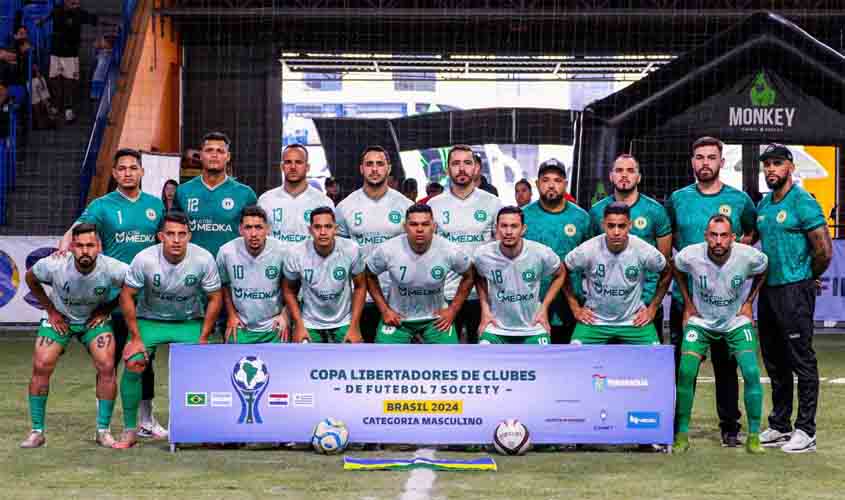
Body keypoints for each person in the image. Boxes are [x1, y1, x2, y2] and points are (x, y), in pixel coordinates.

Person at [60, 148, 166, 440]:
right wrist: (64, 245)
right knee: (108, 361)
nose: (128, 173)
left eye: (133, 168)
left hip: (145, 300)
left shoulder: (155, 206)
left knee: (144, 360)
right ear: (115, 173)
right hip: (112, 299)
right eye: (122, 168)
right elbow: (78, 228)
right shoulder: (102, 205)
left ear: (142, 171)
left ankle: (146, 420)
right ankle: (102, 425)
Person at [665, 136, 758, 447]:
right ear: (692, 162)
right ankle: (676, 427)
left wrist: (737, 250)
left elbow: (751, 232)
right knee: (682, 367)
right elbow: (668, 237)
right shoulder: (678, 199)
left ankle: (730, 427)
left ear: (721, 162)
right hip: (688, 302)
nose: (705, 163)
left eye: (711, 157)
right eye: (700, 157)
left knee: (726, 367)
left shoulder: (740, 200)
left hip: (726, 304)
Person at [114, 212, 222, 449]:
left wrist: (204, 336)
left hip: (188, 321)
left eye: (182, 234)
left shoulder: (203, 258)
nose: (176, 240)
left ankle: (204, 428)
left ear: (189, 236)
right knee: (133, 362)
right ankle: (130, 430)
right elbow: (127, 296)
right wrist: (135, 337)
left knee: (205, 366)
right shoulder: (144, 259)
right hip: (150, 320)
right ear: (160, 236)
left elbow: (215, 298)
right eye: (170, 234)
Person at [20, 224, 128, 449]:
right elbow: (30, 278)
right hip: (60, 318)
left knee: (107, 365)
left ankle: (103, 431)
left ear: (99, 247)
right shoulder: (55, 265)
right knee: (41, 364)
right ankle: (37, 431)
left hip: (92, 321)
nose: (85, 251)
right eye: (79, 246)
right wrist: (51, 311)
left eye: (90, 245)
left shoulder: (113, 268)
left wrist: (106, 310)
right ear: (71, 247)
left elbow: (133, 286)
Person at [756, 143, 832, 453]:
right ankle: (780, 425)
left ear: (790, 167)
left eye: (777, 163)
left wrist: (806, 277)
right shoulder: (763, 205)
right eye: (767, 164)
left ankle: (806, 430)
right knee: (775, 361)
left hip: (795, 291)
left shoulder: (803, 202)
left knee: (802, 359)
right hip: (769, 290)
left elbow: (824, 250)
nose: (770, 169)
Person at [672, 215, 768, 454]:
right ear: (706, 236)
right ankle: (681, 434)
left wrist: (749, 302)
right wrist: (688, 304)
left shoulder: (748, 256)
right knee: (685, 372)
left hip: (735, 322)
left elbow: (764, 268)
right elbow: (676, 267)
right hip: (701, 322)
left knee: (751, 372)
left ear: (732, 237)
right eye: (713, 235)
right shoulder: (690, 255)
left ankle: (753, 437)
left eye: (723, 235)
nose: (718, 241)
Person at [589, 154, 672, 341]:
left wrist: (652, 306)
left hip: (644, 309)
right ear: (611, 176)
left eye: (630, 171)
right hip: (605, 311)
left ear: (639, 177)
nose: (624, 175)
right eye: (619, 170)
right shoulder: (596, 212)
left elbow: (664, 264)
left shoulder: (656, 211)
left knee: (647, 360)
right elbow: (589, 259)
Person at [335, 146, 413, 342]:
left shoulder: (405, 206)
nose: (375, 169)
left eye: (380, 164)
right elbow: (339, 253)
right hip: (359, 297)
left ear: (389, 168)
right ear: (361, 169)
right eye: (369, 164)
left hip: (397, 298)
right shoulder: (344, 207)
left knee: (390, 356)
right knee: (358, 353)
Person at [366, 204, 473, 344]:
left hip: (435, 319)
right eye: (414, 224)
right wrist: (385, 310)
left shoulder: (450, 250)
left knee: (450, 355)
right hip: (398, 319)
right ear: (405, 227)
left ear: (434, 227)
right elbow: (368, 274)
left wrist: (453, 310)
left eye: (425, 224)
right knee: (383, 356)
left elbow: (470, 275)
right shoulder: (388, 249)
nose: (420, 229)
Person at [565, 202, 670, 345]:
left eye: (621, 226)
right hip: (595, 320)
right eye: (611, 226)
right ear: (603, 225)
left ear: (630, 225)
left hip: (634, 321)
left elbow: (667, 270)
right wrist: (575, 308)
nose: (616, 232)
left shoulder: (643, 250)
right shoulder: (588, 249)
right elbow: (563, 270)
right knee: (574, 355)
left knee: (655, 357)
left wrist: (652, 309)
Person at [428, 145, 503, 343]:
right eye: (456, 163)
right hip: (444, 296)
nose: (461, 168)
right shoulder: (433, 206)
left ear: (476, 168)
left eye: (467, 163)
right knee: (446, 355)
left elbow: (501, 251)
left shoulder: (493, 203)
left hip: (484, 296)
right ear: (447, 169)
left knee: (482, 354)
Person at [474, 206, 566, 344]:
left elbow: (561, 273)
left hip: (533, 327)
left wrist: (544, 307)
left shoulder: (541, 252)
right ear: (496, 228)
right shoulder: (483, 254)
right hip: (496, 327)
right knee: (483, 354)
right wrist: (485, 309)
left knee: (543, 357)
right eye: (504, 226)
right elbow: (477, 275)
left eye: (514, 226)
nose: (508, 232)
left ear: (523, 229)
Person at [522, 158, 590, 344]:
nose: (551, 185)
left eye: (557, 180)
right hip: (531, 307)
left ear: (565, 184)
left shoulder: (581, 218)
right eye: (546, 180)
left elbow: (593, 262)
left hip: (572, 307)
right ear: (537, 184)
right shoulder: (523, 217)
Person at [283, 207, 367, 343]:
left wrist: (355, 326)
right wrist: (298, 324)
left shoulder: (351, 249)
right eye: (317, 227)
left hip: (344, 321)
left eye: (328, 226)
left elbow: (360, 286)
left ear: (336, 229)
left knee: (353, 353)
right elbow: (288, 290)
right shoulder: (296, 253)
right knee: (301, 354)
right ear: (310, 230)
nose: (323, 232)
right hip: (309, 322)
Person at [173, 131, 257, 257]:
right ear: (200, 155)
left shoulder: (245, 194)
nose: (214, 155)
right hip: (193, 264)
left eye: (220, 151)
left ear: (228, 156)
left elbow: (254, 234)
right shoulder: (183, 191)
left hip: (231, 265)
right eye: (209, 150)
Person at [216, 206, 289, 344]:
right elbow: (223, 286)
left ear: (267, 229)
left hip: (274, 325)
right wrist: (232, 315)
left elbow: (292, 288)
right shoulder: (226, 252)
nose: (253, 233)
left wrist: (285, 315)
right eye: (248, 227)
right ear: (240, 230)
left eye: (258, 227)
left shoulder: (283, 251)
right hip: (241, 326)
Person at [258, 144, 334, 245]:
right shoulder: (266, 200)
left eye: (298, 162)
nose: (293, 167)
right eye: (288, 162)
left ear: (307, 167)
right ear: (282, 167)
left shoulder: (323, 202)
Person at [37, 0, 98, 123]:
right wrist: (41, 22)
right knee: (54, 79)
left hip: (71, 54)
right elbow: (43, 20)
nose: (73, 1)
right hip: (56, 52)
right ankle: (56, 105)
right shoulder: (57, 10)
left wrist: (79, 11)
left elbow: (94, 21)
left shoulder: (79, 13)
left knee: (70, 82)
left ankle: (68, 109)